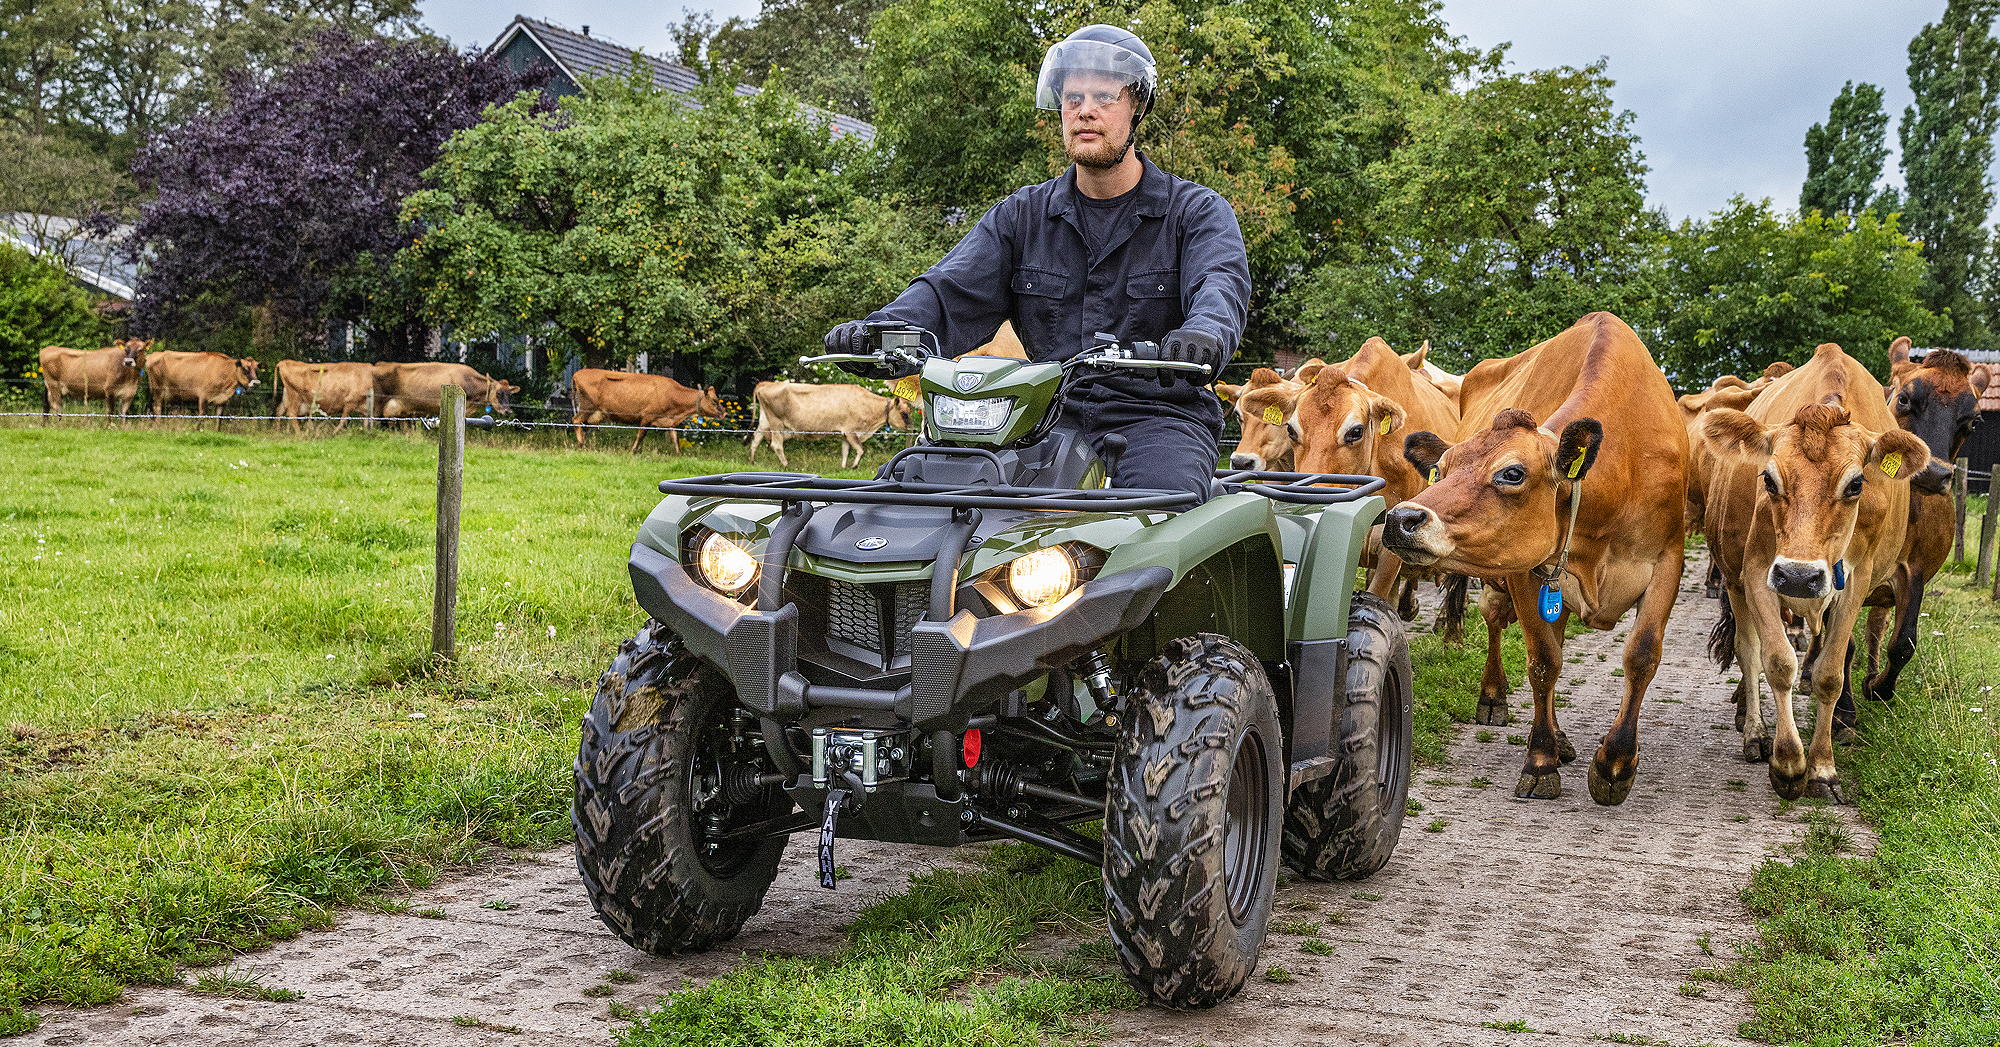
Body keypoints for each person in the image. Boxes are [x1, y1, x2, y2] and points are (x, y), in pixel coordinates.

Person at [824, 24, 1252, 502]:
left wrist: (1204, 335)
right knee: (916, 496)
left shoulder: (1195, 212)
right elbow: (949, 291)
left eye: (1105, 95)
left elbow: (1221, 284)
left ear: (1139, 106)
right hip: (1043, 413)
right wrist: (881, 330)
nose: (1085, 109)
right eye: (1074, 96)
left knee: (1160, 519)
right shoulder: (1022, 216)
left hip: (1159, 416)